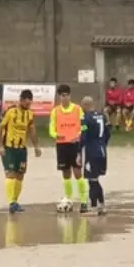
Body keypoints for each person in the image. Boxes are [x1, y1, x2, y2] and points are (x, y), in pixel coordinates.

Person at [0, 89, 41, 213]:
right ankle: (11, 202)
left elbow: (32, 130)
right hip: (8, 148)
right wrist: (0, 146)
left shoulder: (30, 114)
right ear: (21, 100)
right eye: (26, 103)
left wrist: (36, 146)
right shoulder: (10, 112)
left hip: (21, 149)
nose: (28, 105)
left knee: (20, 176)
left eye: (29, 104)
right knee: (11, 174)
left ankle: (15, 201)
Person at [48, 84, 88, 213]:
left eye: (66, 95)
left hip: (75, 145)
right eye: (62, 95)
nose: (64, 98)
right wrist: (56, 135)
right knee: (66, 174)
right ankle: (68, 199)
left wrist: (79, 135)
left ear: (70, 96)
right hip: (62, 145)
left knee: (78, 173)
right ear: (59, 97)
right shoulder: (55, 111)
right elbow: (51, 129)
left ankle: (83, 201)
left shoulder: (77, 109)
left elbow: (85, 126)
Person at [80, 96, 110, 214]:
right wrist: (103, 144)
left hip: (91, 152)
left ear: (86, 105)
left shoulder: (85, 118)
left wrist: (78, 152)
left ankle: (93, 206)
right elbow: (108, 133)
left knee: (92, 180)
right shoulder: (102, 116)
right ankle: (101, 205)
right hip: (102, 151)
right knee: (95, 179)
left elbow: (83, 137)